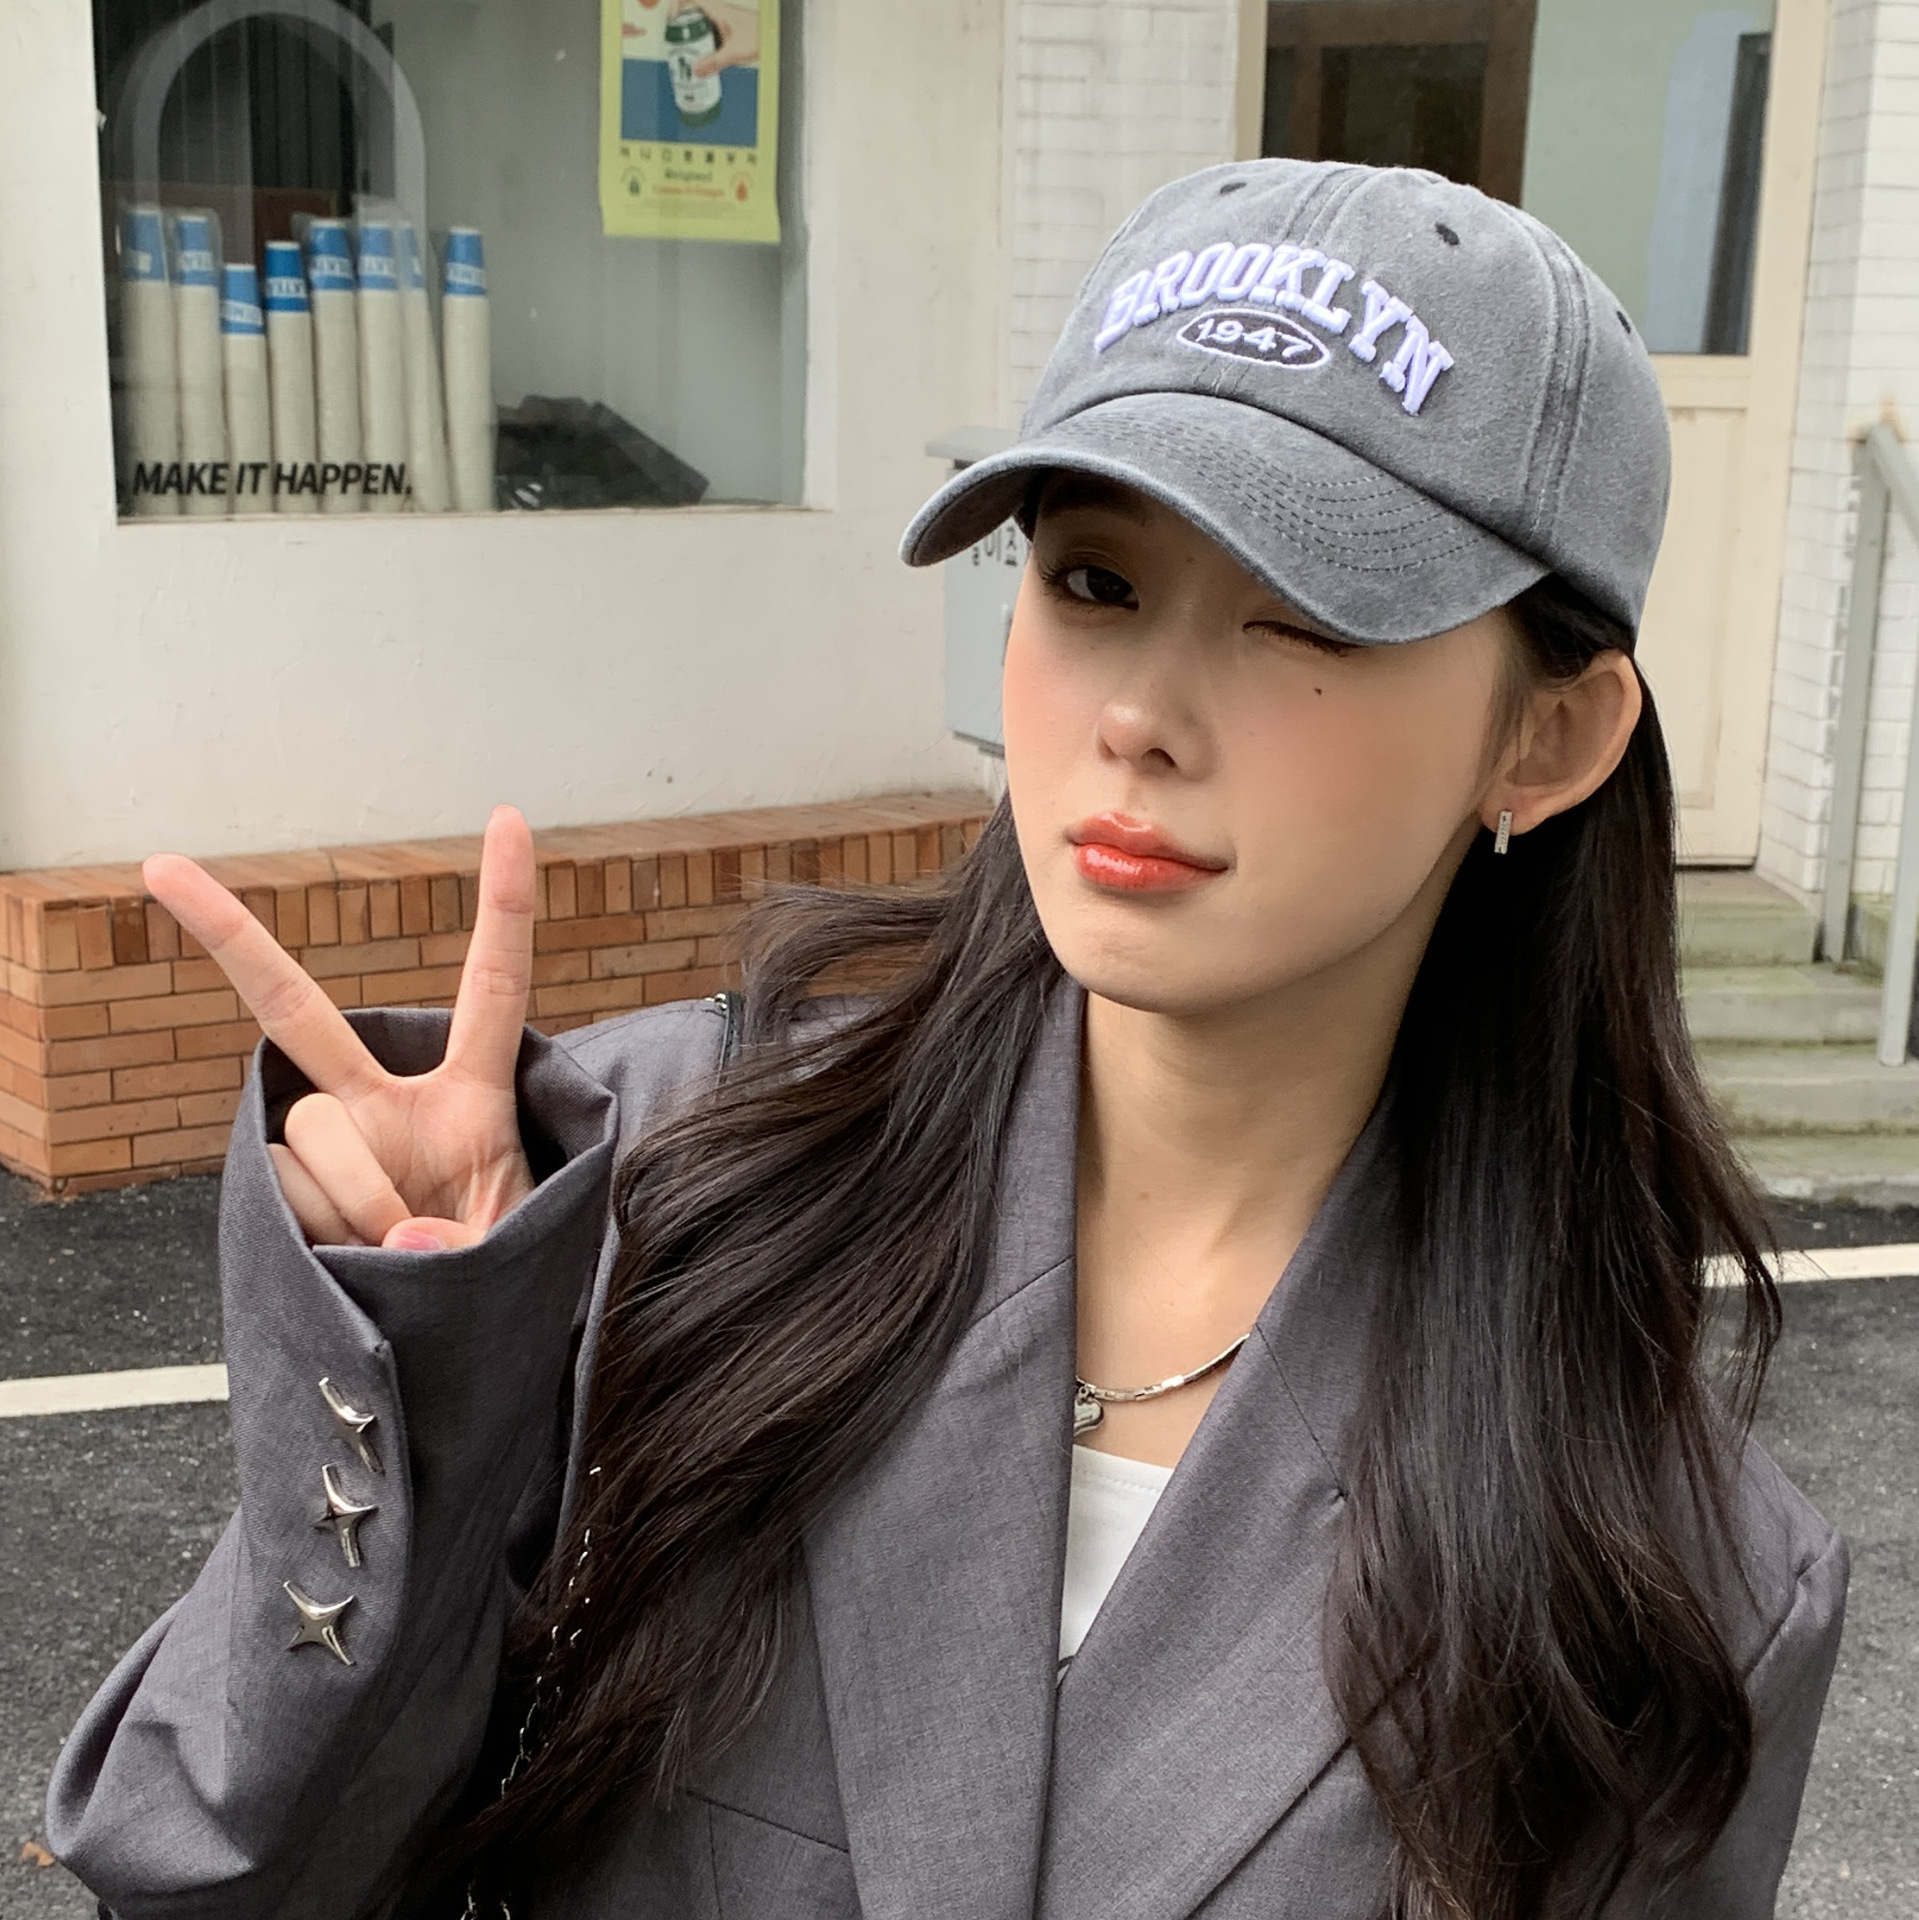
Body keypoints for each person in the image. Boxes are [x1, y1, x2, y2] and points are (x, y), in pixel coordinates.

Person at [48, 159, 1845, 1920]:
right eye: (1094, 584)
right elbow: (212, 1869)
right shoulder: (662, 1197)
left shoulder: (1672, 1582)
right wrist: (442, 1369)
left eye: (1302, 616)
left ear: (1547, 737)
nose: (1139, 718)